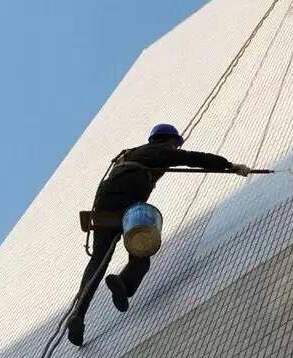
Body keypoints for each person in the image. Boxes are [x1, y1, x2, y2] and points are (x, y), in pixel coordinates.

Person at [67, 124, 252, 346]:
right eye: (175, 144)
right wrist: (229, 166)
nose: (176, 148)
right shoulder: (157, 151)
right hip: (128, 204)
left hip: (104, 208)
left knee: (98, 262)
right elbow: (193, 159)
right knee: (142, 249)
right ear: (168, 140)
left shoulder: (129, 155)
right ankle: (124, 283)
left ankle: (78, 314)